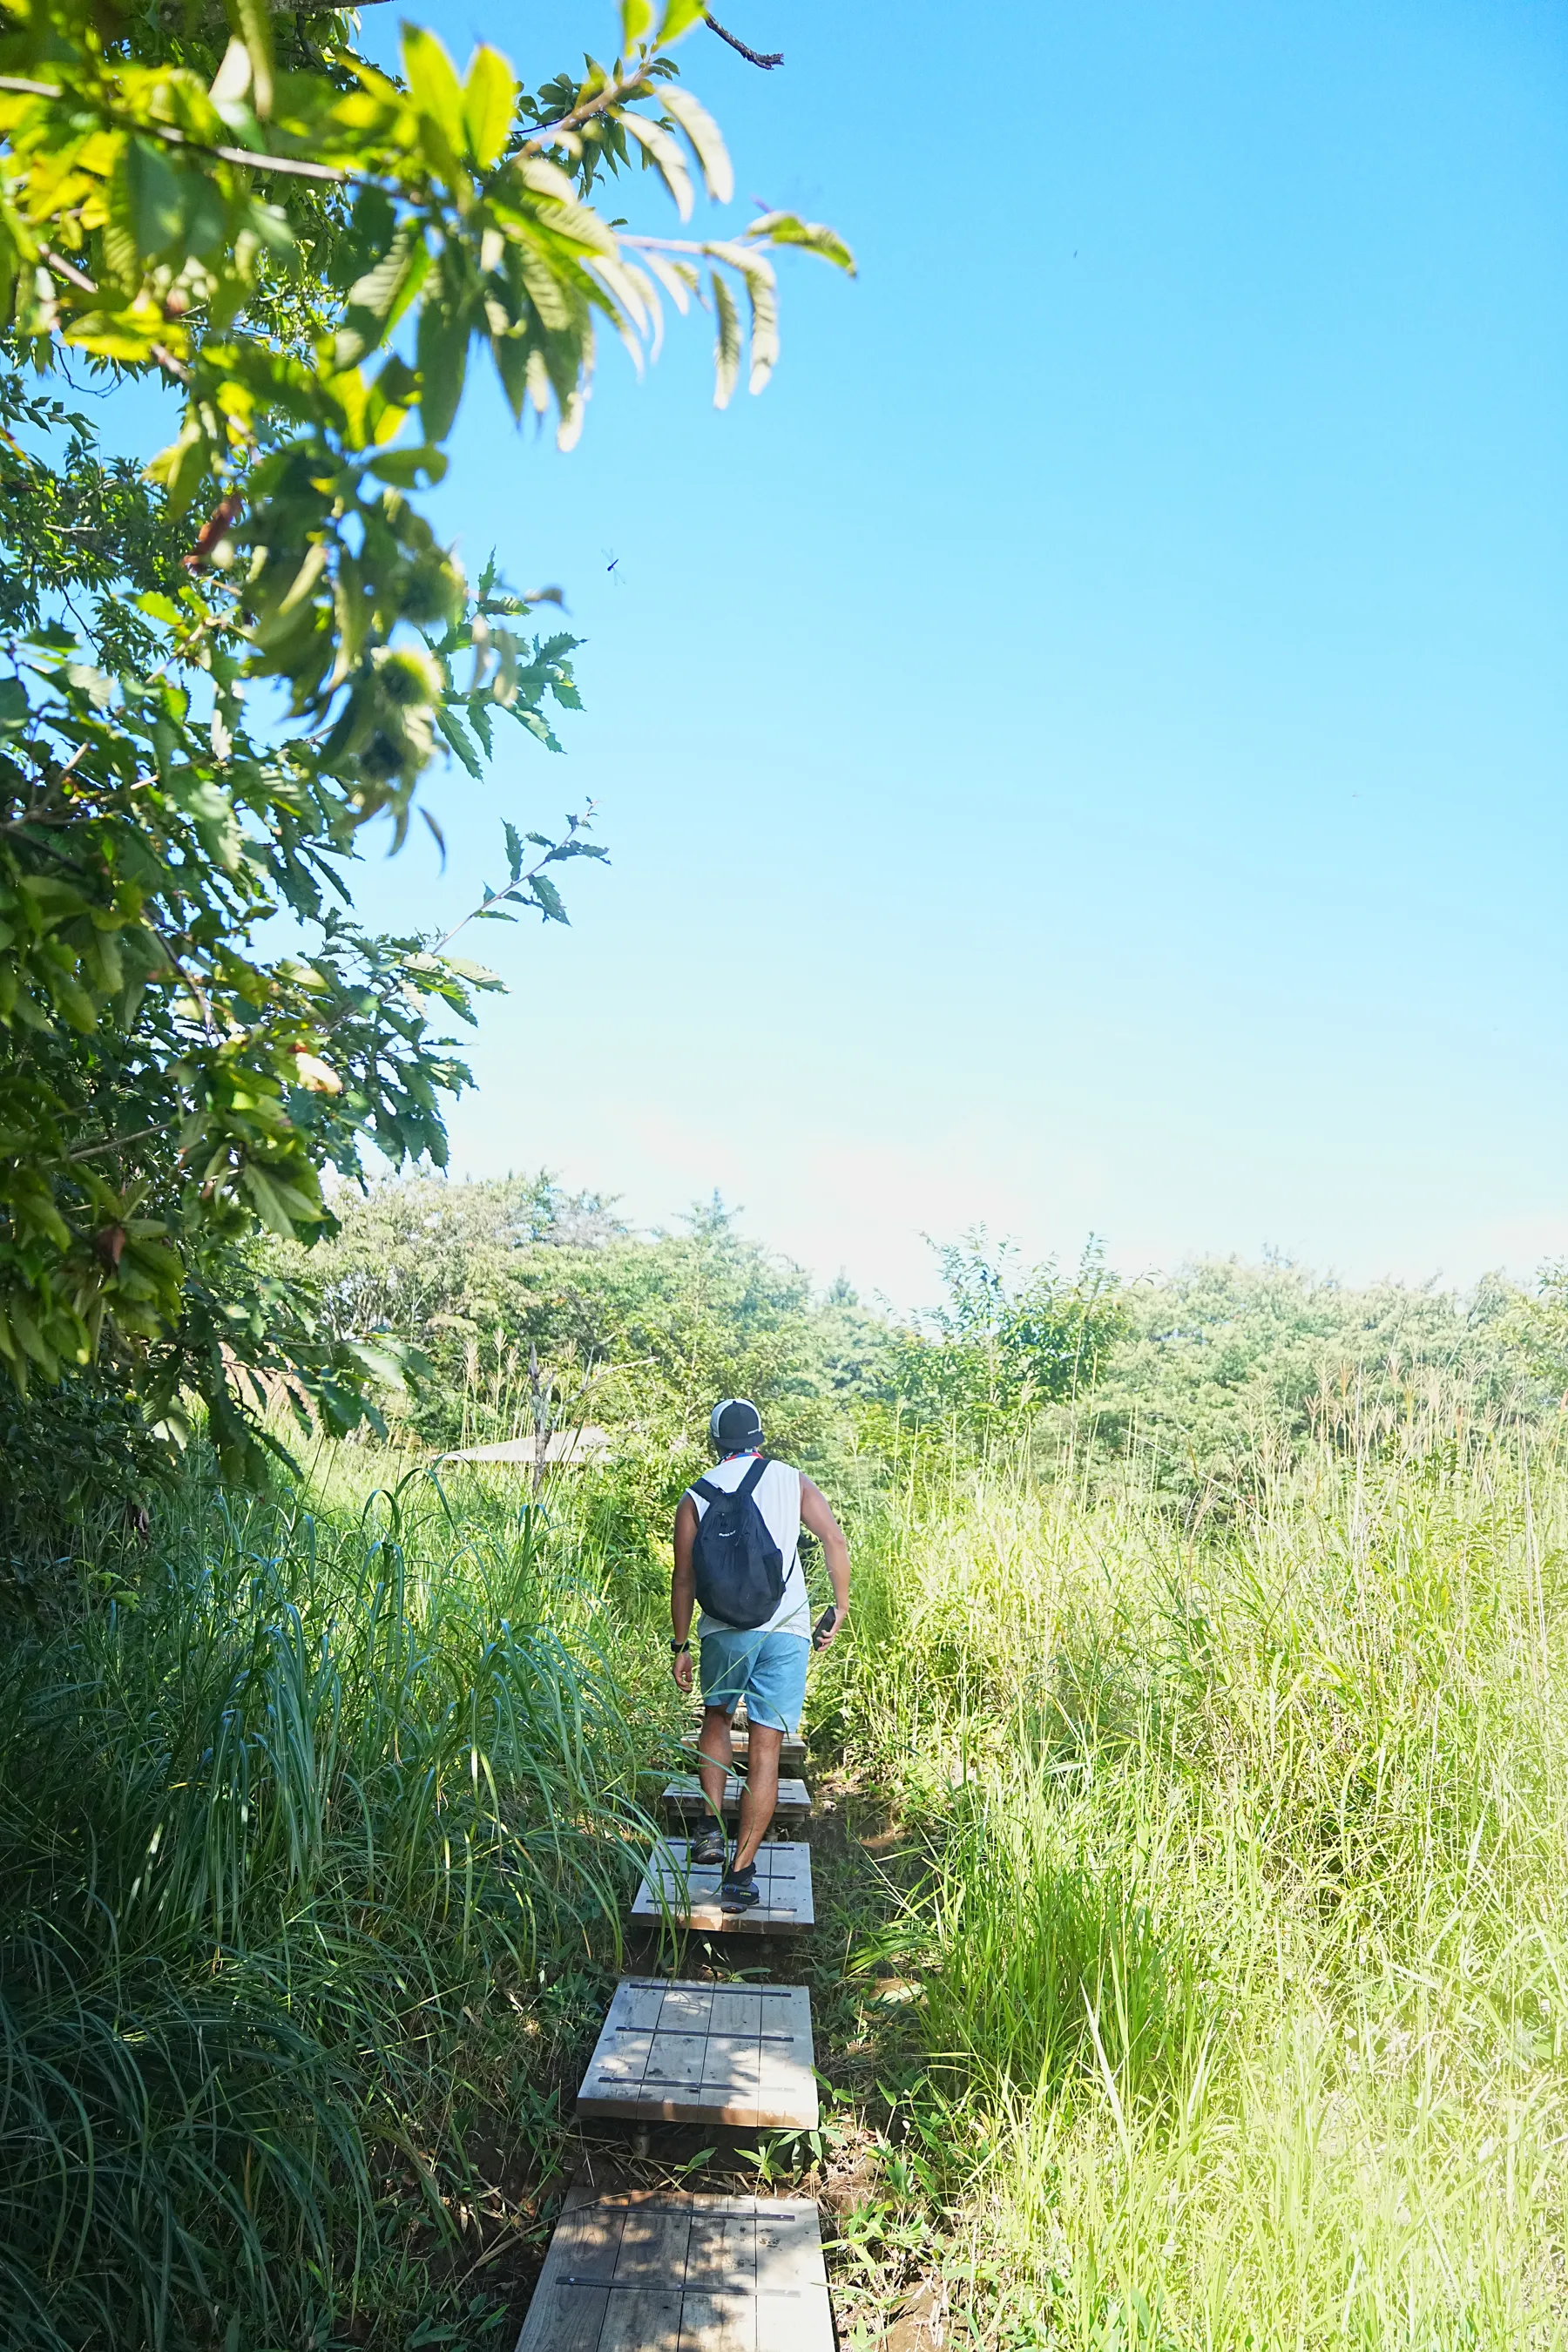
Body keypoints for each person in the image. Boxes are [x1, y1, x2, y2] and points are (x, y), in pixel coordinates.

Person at [670, 1397, 849, 1911]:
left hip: (724, 1630)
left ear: (715, 1442)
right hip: (787, 1627)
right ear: (759, 1439)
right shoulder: (791, 1479)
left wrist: (681, 1645)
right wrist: (839, 1607)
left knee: (718, 1718)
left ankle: (708, 1824)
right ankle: (741, 1872)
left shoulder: (695, 1496)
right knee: (767, 1747)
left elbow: (684, 1578)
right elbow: (833, 1539)